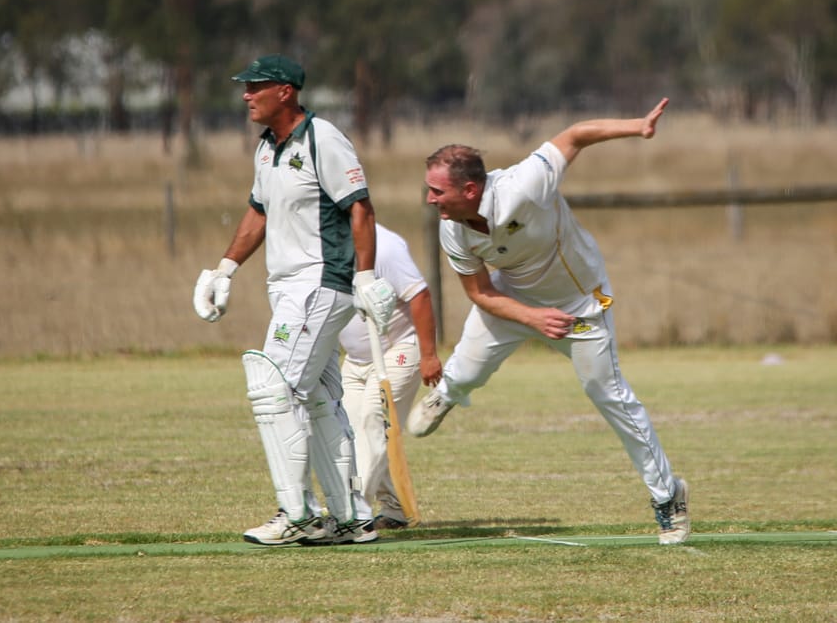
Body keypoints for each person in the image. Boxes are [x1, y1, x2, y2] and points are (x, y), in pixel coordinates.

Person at [407, 98, 691, 545]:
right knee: (466, 371)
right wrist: (532, 317)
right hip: (514, 298)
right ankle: (449, 393)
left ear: (469, 189)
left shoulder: (525, 183)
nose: (428, 199)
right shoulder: (452, 227)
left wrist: (638, 126)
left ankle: (668, 496)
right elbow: (479, 293)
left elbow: (576, 134)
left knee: (607, 394)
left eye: (437, 191)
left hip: (580, 303)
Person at [192, 54, 397, 546]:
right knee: (320, 399)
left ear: (285, 91)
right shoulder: (267, 149)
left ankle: (299, 515)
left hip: (322, 282)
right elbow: (258, 213)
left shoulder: (322, 139)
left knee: (274, 387)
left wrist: (366, 276)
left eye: (255, 87)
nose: (246, 95)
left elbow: (360, 208)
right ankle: (352, 518)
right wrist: (226, 268)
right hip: (286, 286)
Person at [338, 224, 442, 529]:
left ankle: (352, 513)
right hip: (355, 361)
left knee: (373, 419)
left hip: (399, 349)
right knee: (353, 433)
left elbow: (419, 295)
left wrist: (429, 355)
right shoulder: (325, 242)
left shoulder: (386, 245)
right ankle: (394, 508)